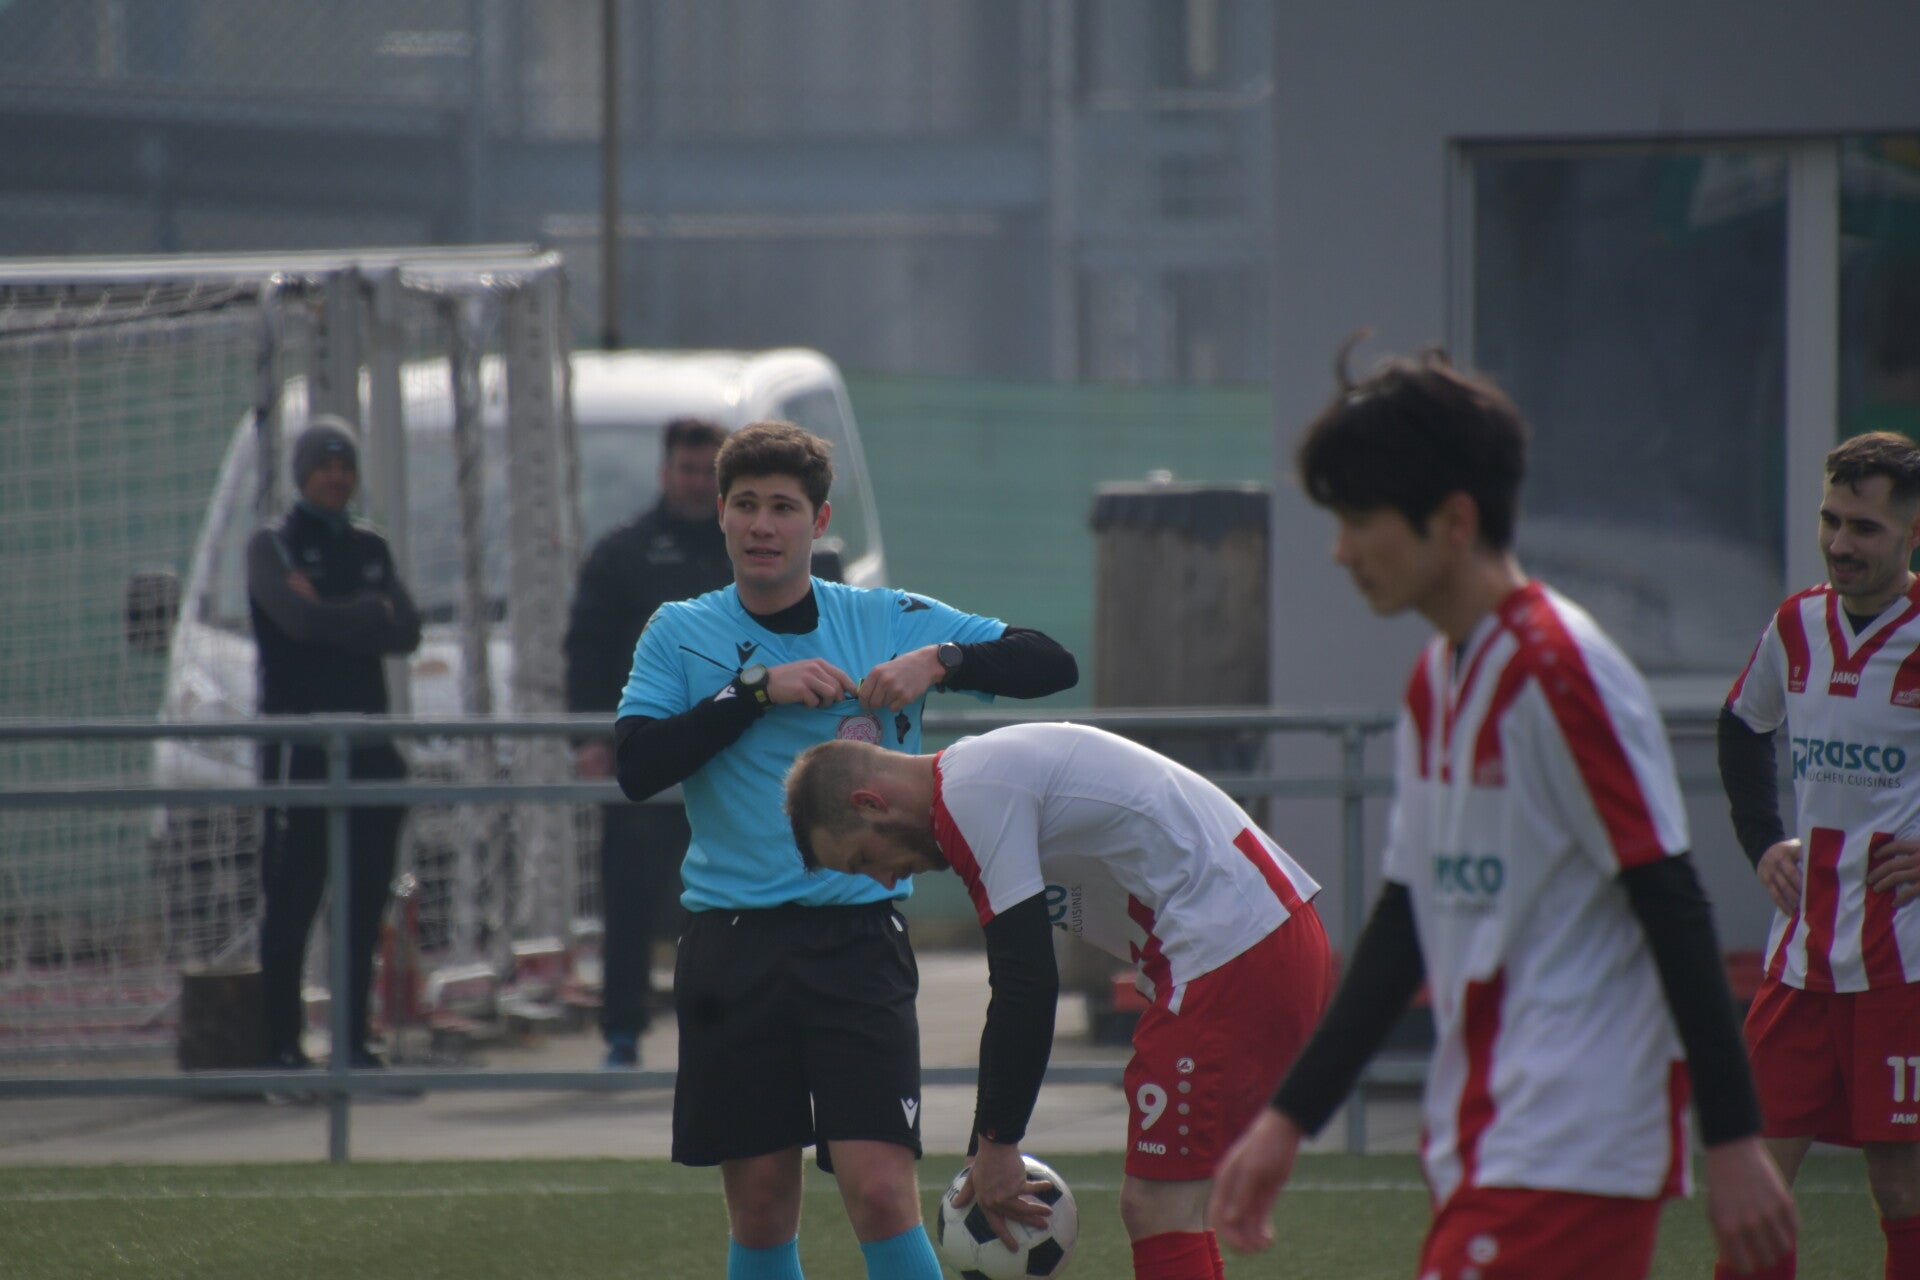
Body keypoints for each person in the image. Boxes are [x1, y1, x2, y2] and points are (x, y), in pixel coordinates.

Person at [1207, 347, 1796, 1279]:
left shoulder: (1560, 671)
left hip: (1572, 1144)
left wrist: (1732, 1139)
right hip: (1489, 1138)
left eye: (1358, 520)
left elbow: (1671, 898)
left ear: (1454, 521)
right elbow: (1406, 916)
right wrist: (1289, 1120)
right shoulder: (1438, 679)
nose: (1340, 551)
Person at [614, 420, 1078, 1280]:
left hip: (858, 943)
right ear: (721, 513)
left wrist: (942, 661)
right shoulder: (679, 631)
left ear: (819, 520)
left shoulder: (884, 618)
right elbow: (637, 767)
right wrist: (754, 691)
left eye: (783, 507)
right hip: (731, 945)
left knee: (880, 1191)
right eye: (746, 505)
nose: (763, 525)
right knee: (761, 1204)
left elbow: (1051, 663)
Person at [786, 721, 1334, 1280]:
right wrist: (985, 1146)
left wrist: (997, 1142)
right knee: (1175, 1206)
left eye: (864, 858)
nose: (883, 880)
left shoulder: (970, 796)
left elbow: (1025, 982)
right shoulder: (977, 778)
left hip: (1233, 951)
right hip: (1251, 939)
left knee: (1157, 1207)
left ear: (871, 802)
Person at [1717, 429, 1920, 1280]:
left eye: (1864, 527)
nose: (1840, 543)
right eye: (1830, 520)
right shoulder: (1796, 623)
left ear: (1913, 532)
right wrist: (1763, 840)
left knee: (1901, 1188)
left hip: (1903, 960)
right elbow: (1741, 726)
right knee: (1753, 1184)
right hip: (1800, 956)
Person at [247, 415, 422, 1071]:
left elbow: (406, 630)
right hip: (300, 754)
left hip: (369, 750)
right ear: (302, 475)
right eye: (324, 466)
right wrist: (364, 612)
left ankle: (352, 1042)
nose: (336, 477)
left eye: (345, 466)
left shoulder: (369, 546)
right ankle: (282, 1047)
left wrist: (333, 612)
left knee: (362, 903)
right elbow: (297, 623)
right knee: (293, 901)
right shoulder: (273, 546)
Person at [564, 417, 731, 1068]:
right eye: (687, 470)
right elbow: (586, 650)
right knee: (630, 898)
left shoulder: (749, 550)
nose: (697, 483)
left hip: (733, 758)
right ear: (665, 474)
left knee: (731, 900)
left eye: (708, 472)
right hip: (648, 753)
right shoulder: (621, 554)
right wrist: (589, 739)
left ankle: (726, 1034)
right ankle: (622, 1032)